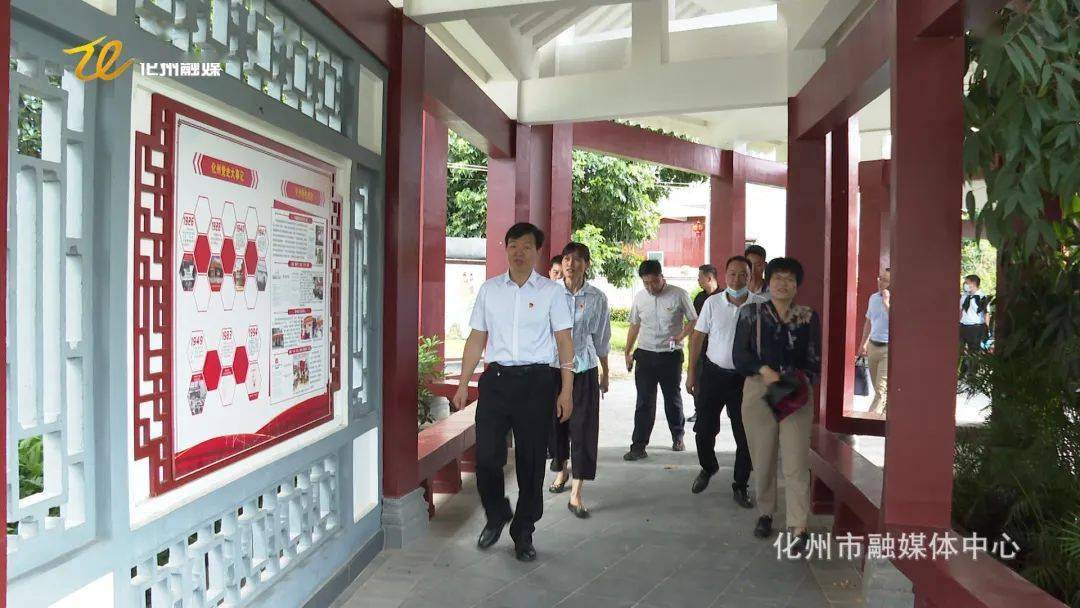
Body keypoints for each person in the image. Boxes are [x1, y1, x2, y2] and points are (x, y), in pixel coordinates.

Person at [453, 222, 576, 562]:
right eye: (513, 246)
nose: (519, 252)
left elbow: (565, 341)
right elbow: (477, 337)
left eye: (526, 246)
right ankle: (496, 513)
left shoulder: (552, 293)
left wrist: (566, 391)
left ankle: (523, 531)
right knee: (488, 458)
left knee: (532, 464)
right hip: (496, 381)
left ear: (538, 251)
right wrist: (463, 383)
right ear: (504, 249)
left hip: (538, 383)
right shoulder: (490, 290)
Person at [732, 257, 821, 556]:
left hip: (795, 392)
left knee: (796, 461)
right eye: (778, 278)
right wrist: (765, 371)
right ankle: (766, 512)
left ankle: (799, 526)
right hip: (759, 389)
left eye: (790, 279)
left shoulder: (808, 316)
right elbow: (739, 356)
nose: (784, 284)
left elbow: (814, 358)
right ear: (768, 281)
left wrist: (800, 382)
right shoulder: (750, 314)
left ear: (797, 285)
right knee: (764, 457)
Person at [686, 256, 765, 507]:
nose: (736, 279)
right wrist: (691, 373)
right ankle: (708, 467)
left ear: (750, 277)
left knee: (745, 435)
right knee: (704, 430)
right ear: (724, 276)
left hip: (745, 380)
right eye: (732, 274)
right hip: (712, 374)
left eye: (742, 274)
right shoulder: (712, 303)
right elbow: (697, 338)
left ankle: (740, 484)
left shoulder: (760, 306)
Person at [547, 242, 611, 518]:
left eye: (577, 259)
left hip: (583, 369)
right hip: (552, 367)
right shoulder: (550, 294)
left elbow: (602, 337)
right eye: (567, 258)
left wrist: (605, 371)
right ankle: (562, 469)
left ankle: (576, 493)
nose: (571, 264)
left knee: (583, 427)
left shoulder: (597, 298)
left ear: (587, 265)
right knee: (556, 425)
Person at [623, 260, 697, 460]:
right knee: (644, 401)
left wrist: (681, 336)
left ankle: (678, 436)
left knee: (672, 398)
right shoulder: (640, 297)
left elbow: (693, 319)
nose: (650, 287)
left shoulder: (679, 294)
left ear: (661, 277)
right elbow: (634, 325)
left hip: (670, 355)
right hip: (645, 354)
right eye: (645, 283)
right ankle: (638, 446)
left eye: (653, 282)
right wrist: (627, 352)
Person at [688, 265, 721, 423]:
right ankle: (699, 411)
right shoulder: (700, 298)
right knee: (700, 384)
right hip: (701, 349)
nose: (698, 280)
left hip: (718, 352)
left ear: (709, 278)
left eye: (700, 277)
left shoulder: (723, 297)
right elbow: (694, 323)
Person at [858, 268, 891, 414]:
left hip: (888, 348)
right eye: (880, 278)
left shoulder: (898, 299)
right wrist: (863, 344)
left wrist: (886, 302)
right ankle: (885, 412)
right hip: (873, 345)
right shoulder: (872, 298)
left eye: (885, 280)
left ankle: (869, 419)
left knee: (880, 388)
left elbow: (899, 321)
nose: (880, 282)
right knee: (877, 387)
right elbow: (868, 322)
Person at [959, 274, 991, 368]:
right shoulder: (964, 296)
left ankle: (972, 374)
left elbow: (986, 313)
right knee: (959, 349)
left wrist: (986, 328)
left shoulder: (982, 297)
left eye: (967, 283)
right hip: (963, 326)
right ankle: (961, 371)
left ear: (973, 283)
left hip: (976, 328)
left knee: (974, 352)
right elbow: (961, 311)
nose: (965, 285)